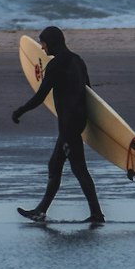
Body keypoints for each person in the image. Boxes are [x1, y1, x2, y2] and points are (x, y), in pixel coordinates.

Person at [12, 25, 105, 225]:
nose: (42, 49)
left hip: (68, 124)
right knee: (55, 165)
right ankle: (41, 210)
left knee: (78, 169)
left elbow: (40, 96)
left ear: (51, 42)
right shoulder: (78, 61)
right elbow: (90, 94)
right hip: (78, 120)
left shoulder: (56, 65)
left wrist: (20, 110)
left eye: (43, 43)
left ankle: (97, 214)